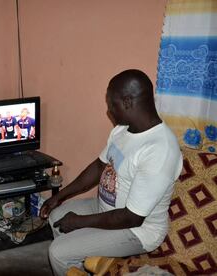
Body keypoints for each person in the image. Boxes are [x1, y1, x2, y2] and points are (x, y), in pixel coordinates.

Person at [40, 69, 183, 275]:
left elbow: (132, 218)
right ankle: (83, 266)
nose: (109, 110)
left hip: (137, 231)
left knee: (57, 252)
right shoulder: (122, 130)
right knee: (56, 218)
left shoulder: (160, 150)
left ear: (127, 101)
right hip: (105, 208)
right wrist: (59, 197)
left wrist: (79, 222)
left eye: (111, 104)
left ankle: (72, 256)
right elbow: (98, 167)